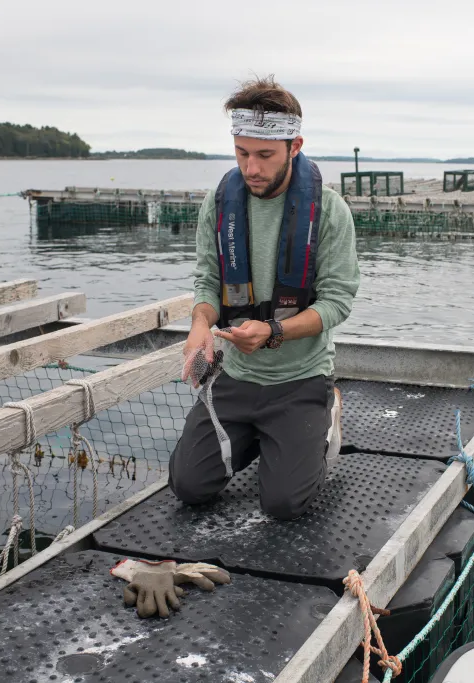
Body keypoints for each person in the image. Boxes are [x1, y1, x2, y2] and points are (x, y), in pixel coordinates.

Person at [169, 75, 360, 521]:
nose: (250, 168)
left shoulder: (330, 211)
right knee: (189, 487)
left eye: (264, 155)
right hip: (236, 377)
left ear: (295, 146)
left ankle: (324, 414)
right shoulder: (219, 204)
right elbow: (207, 281)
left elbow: (337, 303)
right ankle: (256, 435)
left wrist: (274, 330)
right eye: (241, 153)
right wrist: (200, 325)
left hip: (300, 378)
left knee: (283, 505)